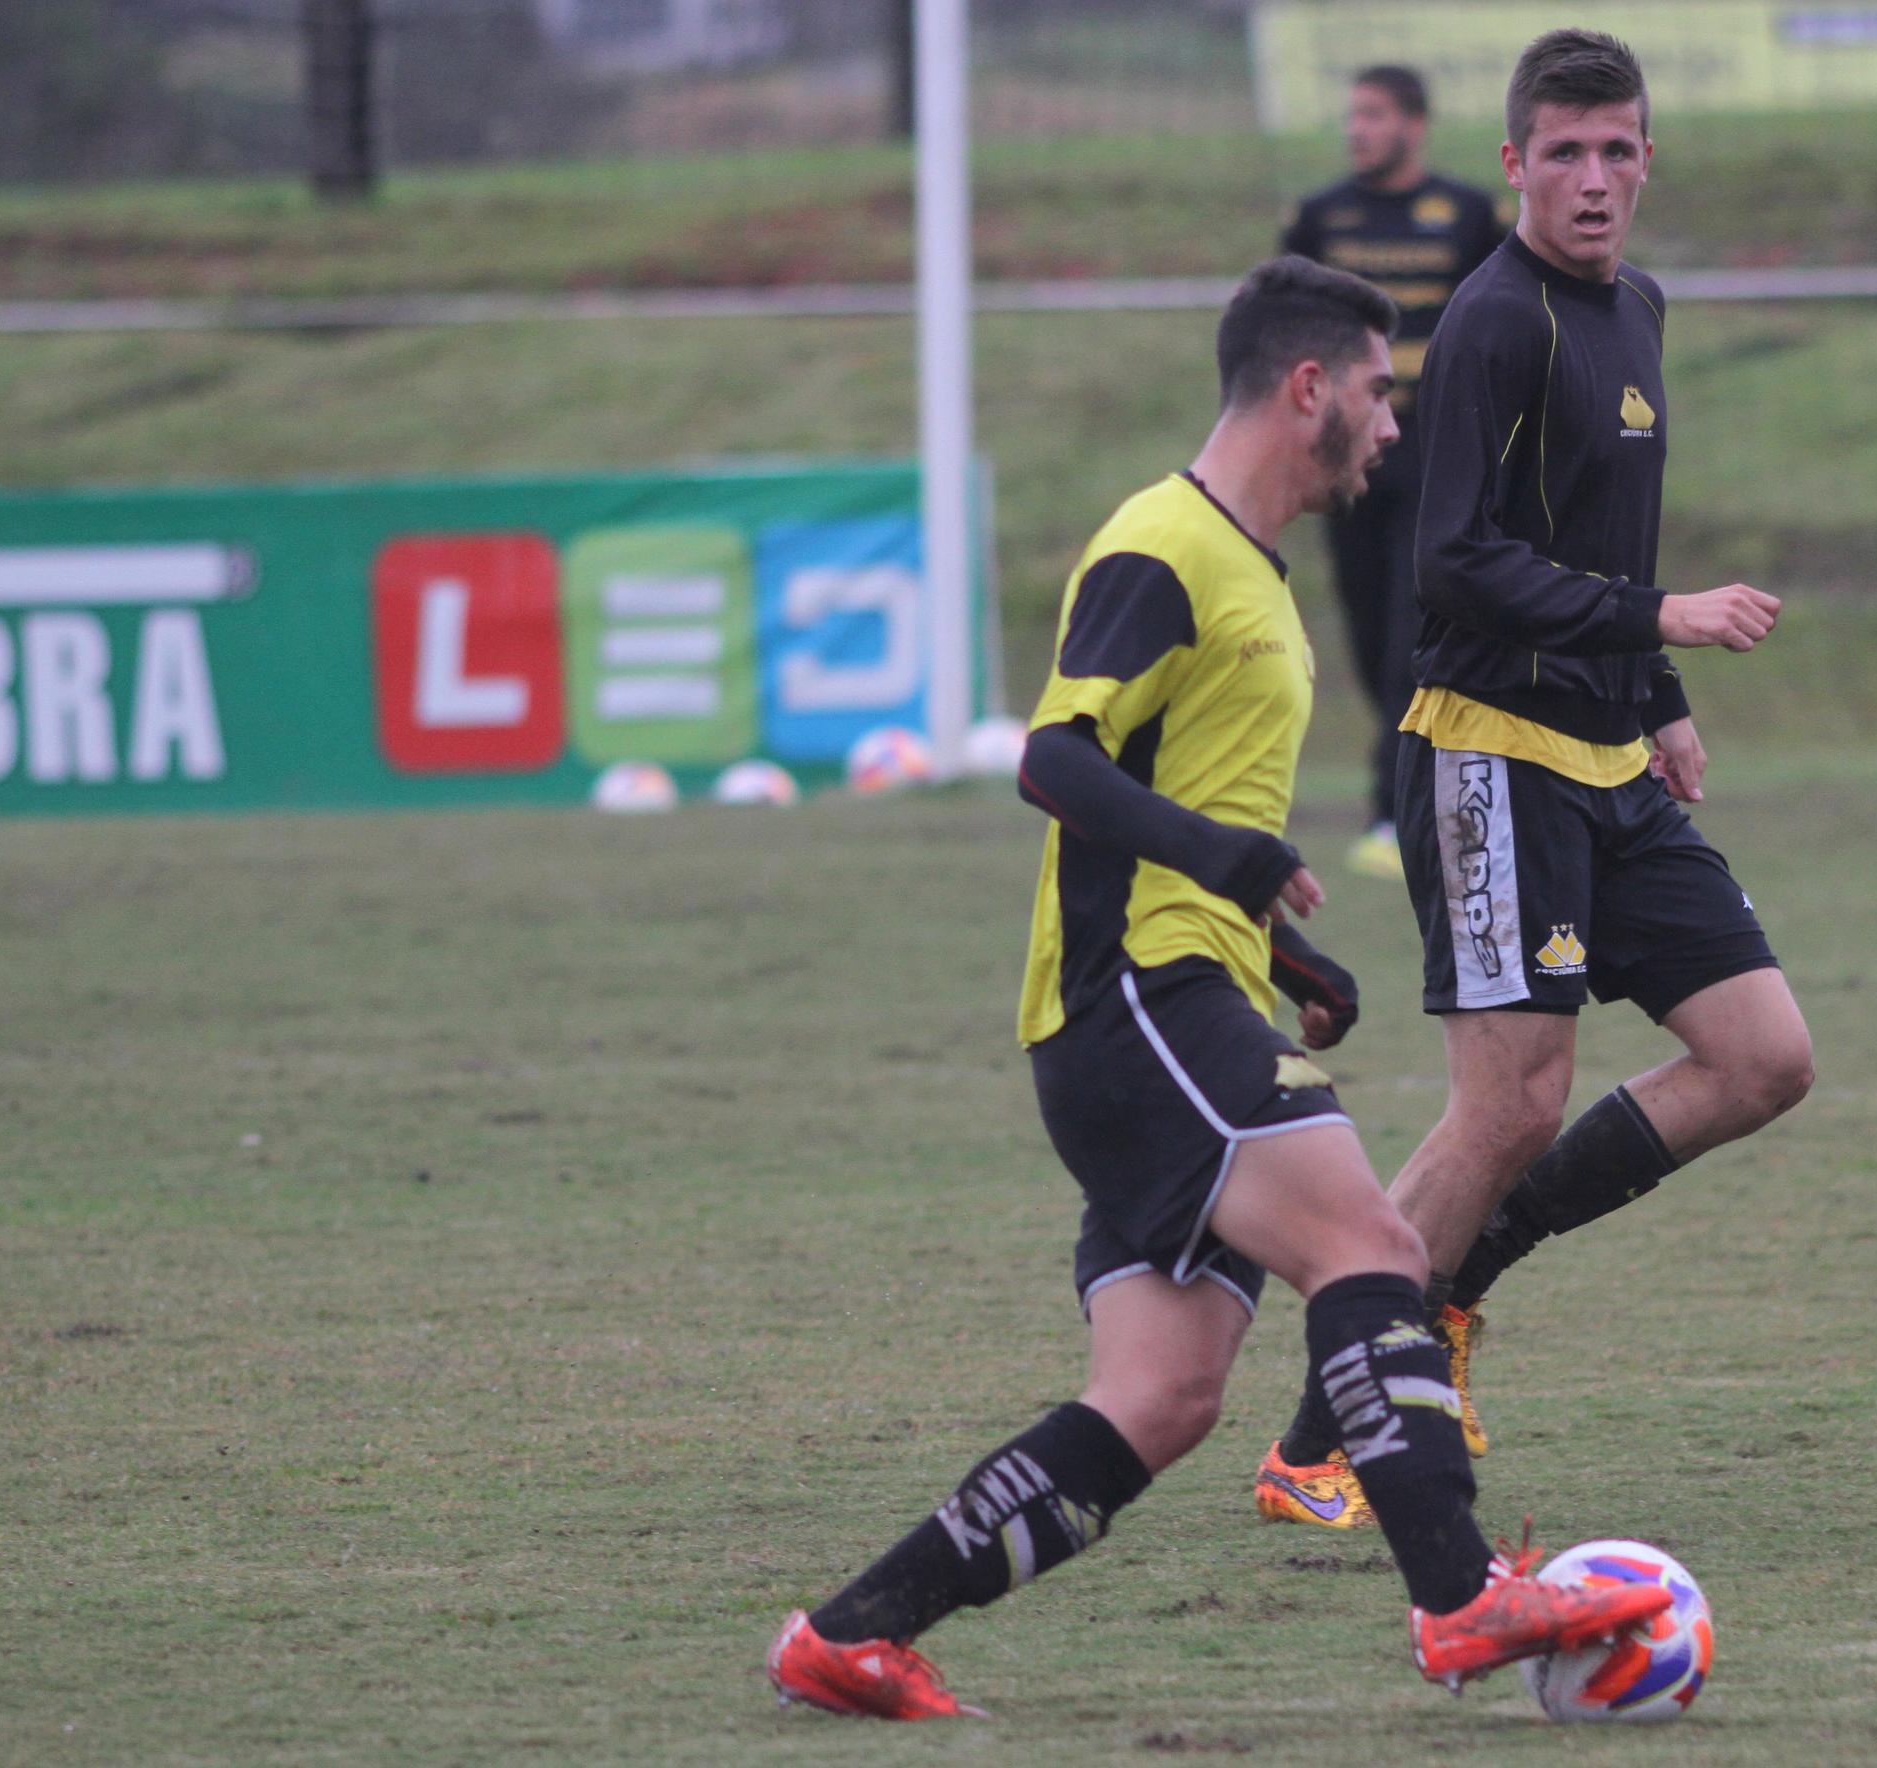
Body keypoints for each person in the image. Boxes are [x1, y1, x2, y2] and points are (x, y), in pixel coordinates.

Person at [767, 257, 1671, 1721]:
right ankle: (1461, 1601)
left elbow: (1177, 801)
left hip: (1176, 1001)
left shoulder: (1252, 571)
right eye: (1376, 390)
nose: (1392, 423)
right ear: (1308, 388)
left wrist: (1286, 950)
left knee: (1161, 1397)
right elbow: (1053, 759)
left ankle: (851, 1635)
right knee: (1373, 1247)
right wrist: (1219, 862)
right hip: (1140, 998)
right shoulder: (1161, 544)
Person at [1255, 30, 1815, 1530]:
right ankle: (1318, 1438)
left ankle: (1455, 1284)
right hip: (1490, 757)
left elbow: (1602, 530)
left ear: (1647, 160)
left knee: (1761, 1056)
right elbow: (1451, 562)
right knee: (1506, 1110)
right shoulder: (1494, 321)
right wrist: (1660, 619)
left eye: (1615, 149)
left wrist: (1660, 694)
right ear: (1512, 164)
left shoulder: (1637, 304)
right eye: (1561, 152)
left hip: (1610, 754)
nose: (1591, 178)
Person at [1282, 65, 1506, 880]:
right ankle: (1418, 779)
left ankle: (1393, 810)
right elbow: (1287, 326)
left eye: (1373, 115)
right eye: (1353, 115)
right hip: (1347, 459)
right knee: (1369, 629)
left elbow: (1500, 320)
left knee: (1411, 631)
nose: (1357, 129)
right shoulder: (1321, 219)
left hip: (1433, 452)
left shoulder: (1468, 214)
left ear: (1415, 124)